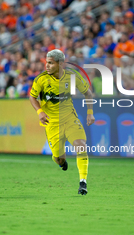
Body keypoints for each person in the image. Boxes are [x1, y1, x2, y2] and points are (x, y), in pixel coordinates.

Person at [29, 49, 95, 195]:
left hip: (70, 119)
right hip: (52, 123)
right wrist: (40, 112)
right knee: (59, 159)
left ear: (60, 64)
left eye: (50, 63)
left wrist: (90, 113)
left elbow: (88, 93)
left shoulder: (72, 76)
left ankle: (83, 183)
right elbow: (32, 97)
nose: (47, 66)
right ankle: (61, 162)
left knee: (81, 146)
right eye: (46, 63)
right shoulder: (41, 79)